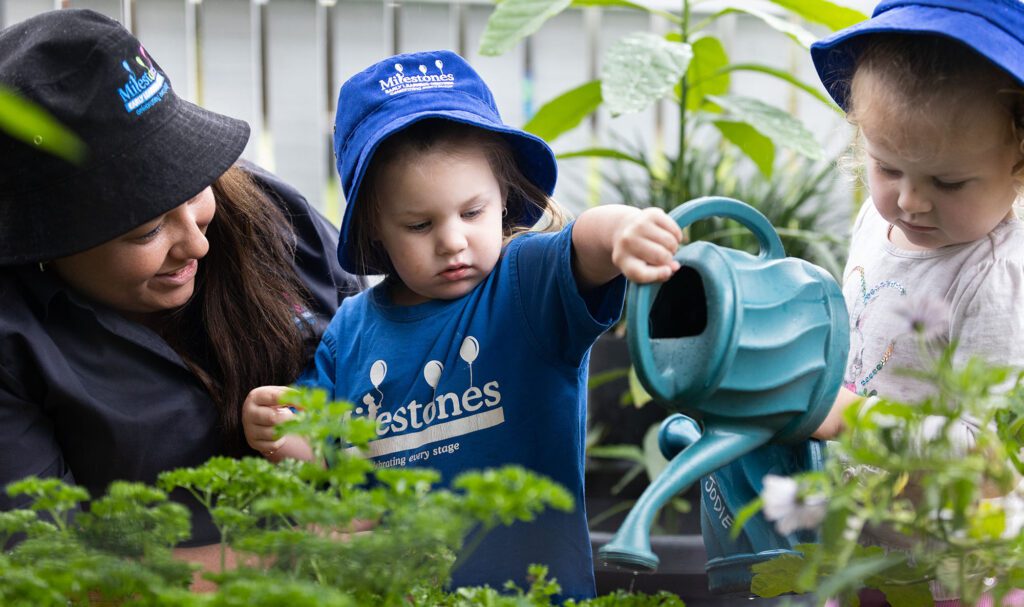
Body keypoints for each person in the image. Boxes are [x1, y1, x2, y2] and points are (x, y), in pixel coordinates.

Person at [241, 49, 683, 599]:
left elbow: (583, 242)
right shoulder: (349, 332)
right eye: (419, 223)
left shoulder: (525, 286)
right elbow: (327, 457)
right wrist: (280, 431)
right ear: (375, 227)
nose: (452, 241)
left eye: (471, 213)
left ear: (503, 200)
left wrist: (624, 233)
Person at [0, 8, 363, 580]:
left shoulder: (273, 214)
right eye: (145, 231)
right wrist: (300, 561)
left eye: (195, 190)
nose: (197, 243)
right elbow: (48, 575)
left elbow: (392, 358)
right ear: (46, 243)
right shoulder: (14, 340)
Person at [809, 1, 1024, 604]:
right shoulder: (875, 225)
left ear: (1019, 162)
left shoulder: (998, 276)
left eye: (947, 183)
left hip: (951, 563)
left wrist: (852, 417)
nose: (910, 203)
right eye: (886, 168)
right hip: (868, 532)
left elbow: (984, 447)